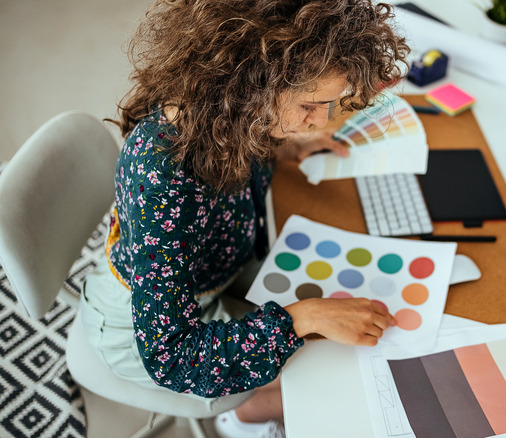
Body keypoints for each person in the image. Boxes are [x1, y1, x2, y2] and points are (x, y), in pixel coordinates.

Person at [78, 0, 410, 437]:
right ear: (249, 84)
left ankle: (264, 399)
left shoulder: (232, 114)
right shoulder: (162, 176)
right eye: (311, 106)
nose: (319, 124)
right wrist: (303, 318)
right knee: (321, 361)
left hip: (219, 262)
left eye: (331, 105)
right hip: (140, 328)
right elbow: (174, 357)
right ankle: (243, 416)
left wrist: (285, 147)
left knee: (334, 331)